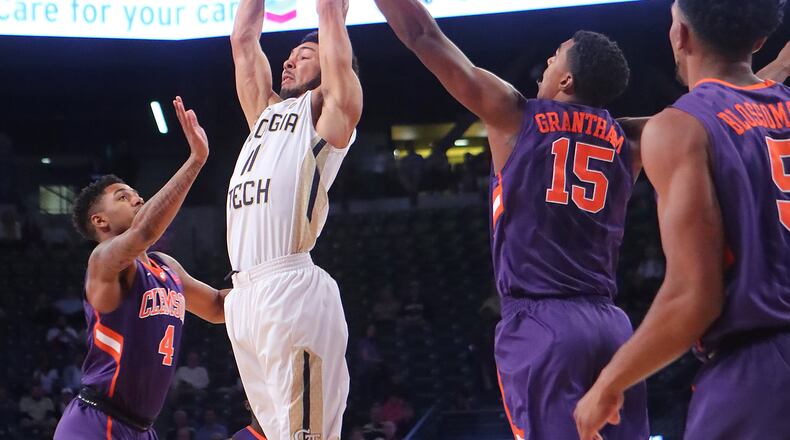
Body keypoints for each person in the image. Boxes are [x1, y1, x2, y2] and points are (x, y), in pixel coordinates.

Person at [374, 1, 647, 439]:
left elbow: (424, 36)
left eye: (556, 55)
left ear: (567, 78)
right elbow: (709, 114)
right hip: (612, 328)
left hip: (544, 323)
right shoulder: (630, 137)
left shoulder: (516, 115)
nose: (545, 63)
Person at [574, 1, 790, 439]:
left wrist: (608, 383)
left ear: (681, 36)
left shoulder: (681, 127)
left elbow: (695, 296)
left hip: (758, 373)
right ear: (760, 40)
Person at [54, 98, 230, 439]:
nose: (137, 199)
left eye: (136, 194)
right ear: (100, 220)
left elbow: (218, 307)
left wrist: (275, 280)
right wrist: (195, 161)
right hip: (95, 422)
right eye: (123, 196)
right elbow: (145, 231)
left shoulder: (166, 266)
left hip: (140, 429)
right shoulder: (103, 261)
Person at [225, 0, 362, 438]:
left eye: (304, 56)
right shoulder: (263, 116)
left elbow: (339, 60)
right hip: (244, 296)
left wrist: (329, 15)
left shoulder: (329, 117)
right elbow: (243, 41)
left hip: (291, 289)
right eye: (289, 55)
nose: (288, 60)